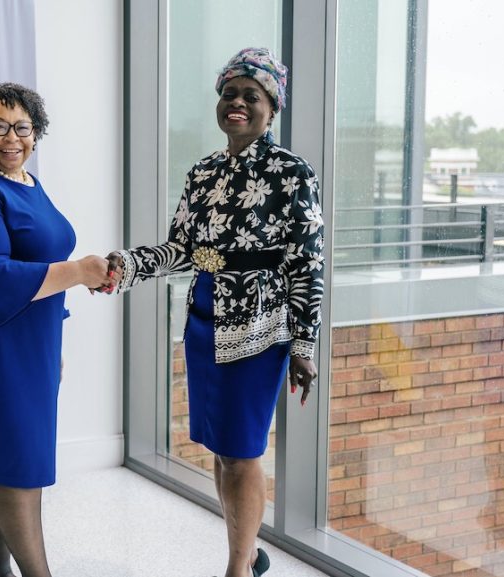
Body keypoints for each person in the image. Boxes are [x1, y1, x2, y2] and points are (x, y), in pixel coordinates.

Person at [104, 47, 324, 577]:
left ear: (273, 108)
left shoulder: (292, 173)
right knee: (222, 450)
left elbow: (308, 264)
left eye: (252, 96)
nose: (238, 103)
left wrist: (304, 345)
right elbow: (182, 249)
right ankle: (248, 553)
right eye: (230, 93)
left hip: (259, 329)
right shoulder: (202, 172)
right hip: (204, 325)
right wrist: (124, 267)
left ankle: (236, 568)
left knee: (244, 451)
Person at [0, 82, 114, 577]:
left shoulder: (29, 183)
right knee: (18, 470)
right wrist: (80, 272)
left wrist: (54, 334)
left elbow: (41, 259)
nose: (11, 136)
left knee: (3, 461)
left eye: (22, 126)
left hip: (32, 342)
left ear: (36, 133)